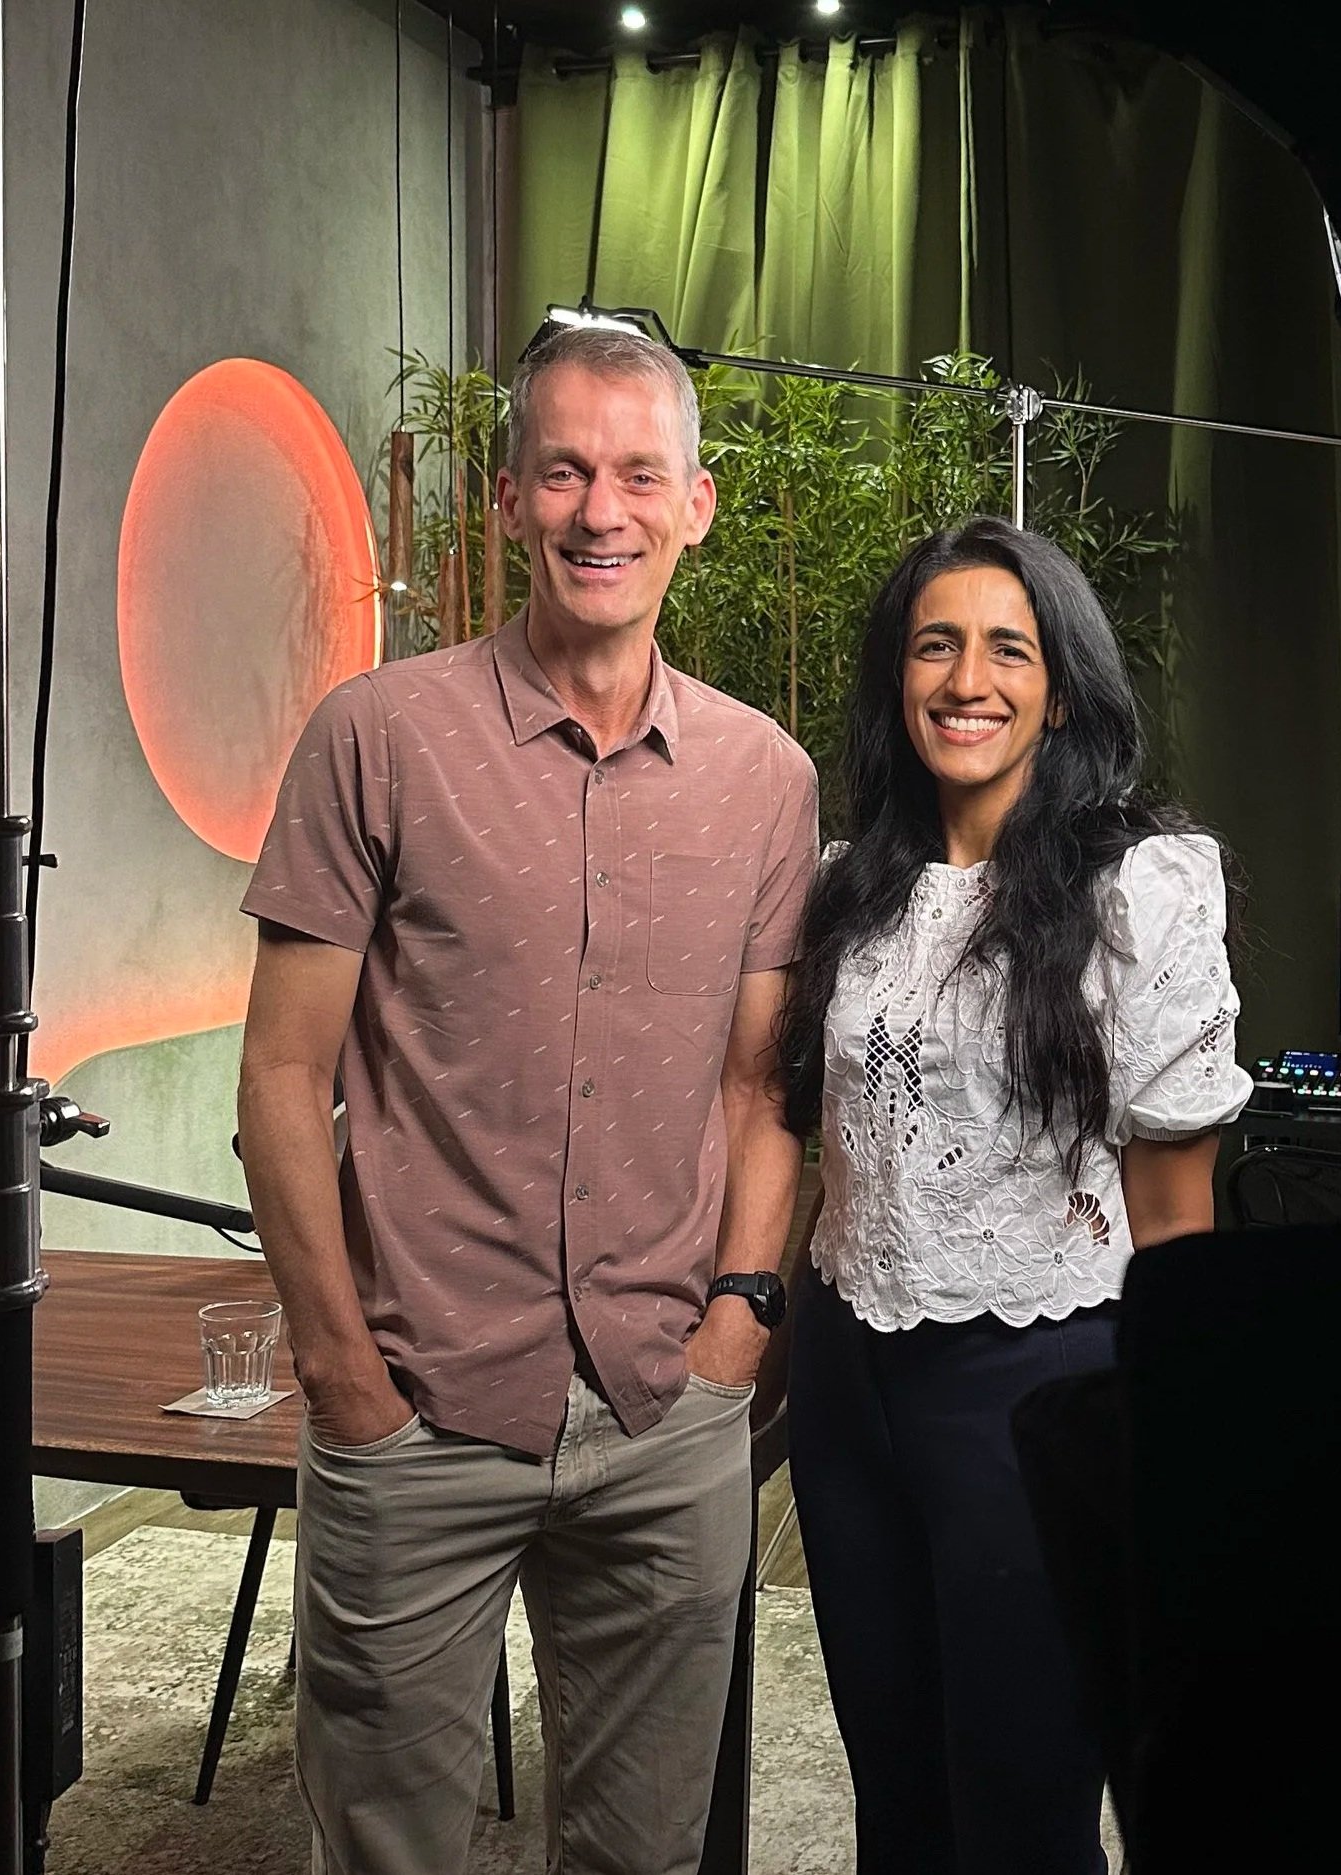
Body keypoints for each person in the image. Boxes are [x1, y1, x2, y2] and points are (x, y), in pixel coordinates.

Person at [237, 322, 818, 1875]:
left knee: (644, 1854)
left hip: (664, 1410)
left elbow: (761, 1090)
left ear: (696, 505)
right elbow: (282, 1075)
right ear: (506, 501)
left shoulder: (767, 780)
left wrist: (736, 1333)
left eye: (638, 475)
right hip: (416, 1405)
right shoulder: (376, 739)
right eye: (562, 472)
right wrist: (340, 1375)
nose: (600, 511)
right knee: (384, 1854)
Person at [774, 517, 1253, 1874]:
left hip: (1037, 1382)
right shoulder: (849, 888)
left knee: (1024, 1812)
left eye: (1008, 649)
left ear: (1062, 689)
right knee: (896, 1793)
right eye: (936, 645)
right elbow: (827, 1147)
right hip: (847, 1380)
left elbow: (1175, 1216)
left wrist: (1177, 1447)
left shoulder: (1139, 886)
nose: (967, 680)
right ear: (898, 678)